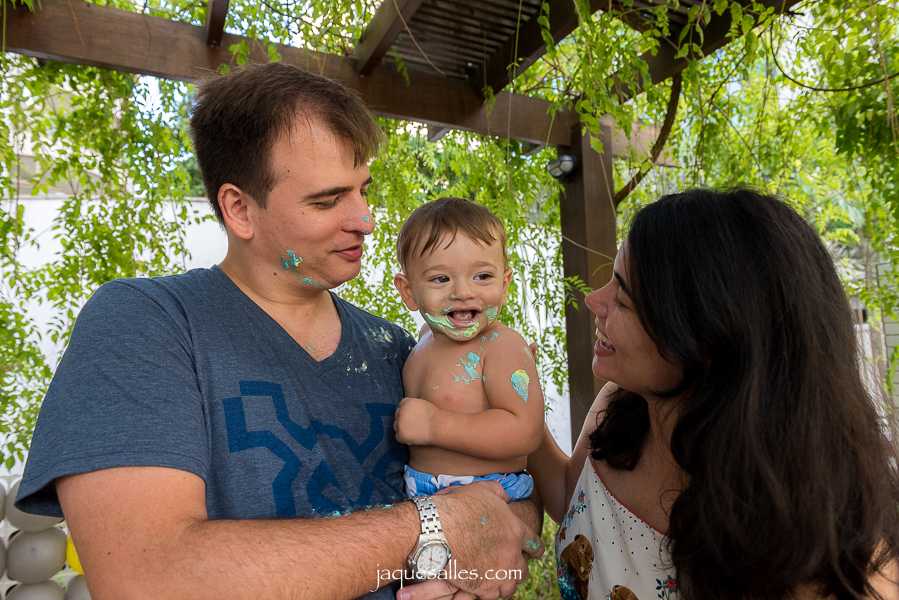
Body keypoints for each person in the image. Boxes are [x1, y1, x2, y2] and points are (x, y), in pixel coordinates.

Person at [14, 62, 543, 600]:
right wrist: (430, 531)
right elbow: (146, 579)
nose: (365, 219)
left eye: (363, 190)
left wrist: (493, 537)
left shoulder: (399, 348)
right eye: (328, 199)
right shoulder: (146, 324)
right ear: (239, 209)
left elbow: (512, 486)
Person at [528, 188, 899, 600]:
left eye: (624, 300)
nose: (593, 299)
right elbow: (570, 498)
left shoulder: (832, 559)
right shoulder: (620, 406)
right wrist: (520, 406)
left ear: (705, 346)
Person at [392, 197, 545, 502]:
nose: (463, 292)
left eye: (482, 276)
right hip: (422, 492)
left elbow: (525, 431)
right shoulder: (424, 338)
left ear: (504, 285)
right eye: (441, 279)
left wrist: (434, 425)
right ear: (409, 292)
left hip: (487, 489)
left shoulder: (502, 345)